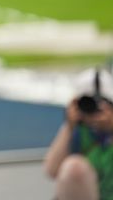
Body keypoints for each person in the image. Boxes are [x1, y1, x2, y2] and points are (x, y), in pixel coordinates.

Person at [44, 68, 113, 200]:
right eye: (87, 103)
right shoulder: (78, 131)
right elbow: (52, 170)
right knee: (74, 167)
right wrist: (69, 127)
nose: (95, 110)